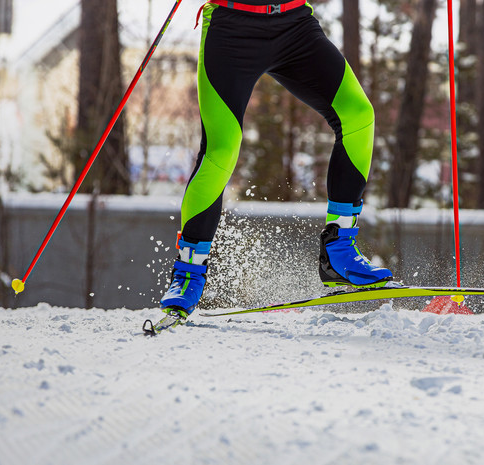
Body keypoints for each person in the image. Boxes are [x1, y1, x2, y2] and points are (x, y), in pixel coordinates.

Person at [157, 0, 393, 328]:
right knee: (222, 149)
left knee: (358, 115)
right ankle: (188, 271)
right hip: (231, 29)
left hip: (295, 25)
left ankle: (339, 249)